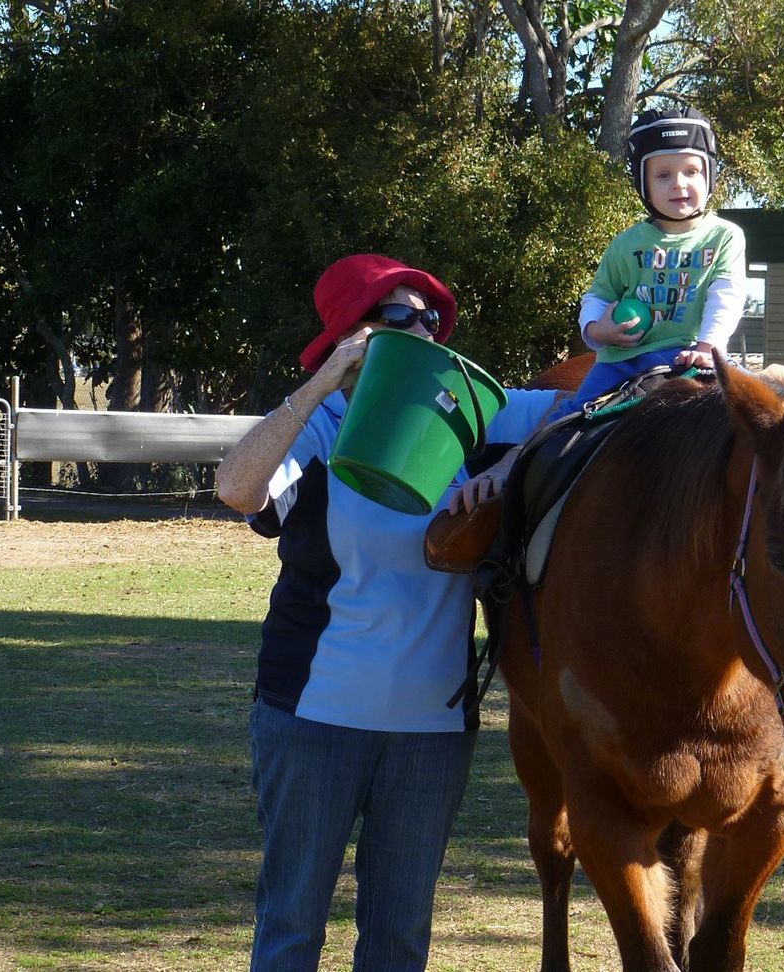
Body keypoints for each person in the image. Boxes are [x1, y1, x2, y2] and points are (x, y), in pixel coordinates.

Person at [215, 253, 559, 972]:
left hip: (431, 732)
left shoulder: (466, 410)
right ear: (353, 331)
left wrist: (505, 466)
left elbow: (582, 406)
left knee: (400, 939)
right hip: (313, 718)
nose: (424, 331)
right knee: (291, 927)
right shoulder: (319, 426)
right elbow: (238, 489)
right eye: (399, 317)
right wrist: (319, 386)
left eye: (431, 318)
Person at [545, 104, 747, 422]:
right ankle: (515, 465)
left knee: (754, 417)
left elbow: (727, 294)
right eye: (663, 175)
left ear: (710, 174)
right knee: (572, 421)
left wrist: (708, 347)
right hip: (620, 361)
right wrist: (600, 331)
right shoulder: (625, 244)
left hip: (690, 355)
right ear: (644, 184)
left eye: (692, 171)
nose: (679, 183)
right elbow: (598, 296)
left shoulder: (725, 236)